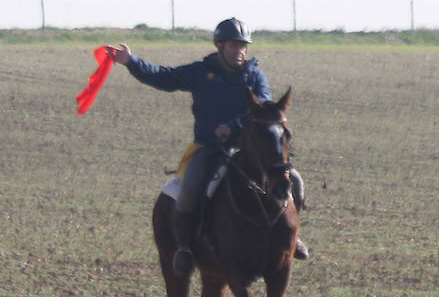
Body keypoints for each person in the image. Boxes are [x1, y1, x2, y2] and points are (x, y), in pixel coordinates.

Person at [107, 17, 308, 278]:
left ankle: (293, 238)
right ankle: (185, 248)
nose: (240, 51)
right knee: (190, 189)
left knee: (296, 182)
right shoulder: (200, 72)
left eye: (243, 46)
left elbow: (264, 109)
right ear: (219, 45)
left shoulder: (255, 76)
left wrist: (232, 126)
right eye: (234, 45)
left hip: (251, 150)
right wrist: (131, 62)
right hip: (210, 148)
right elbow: (164, 77)